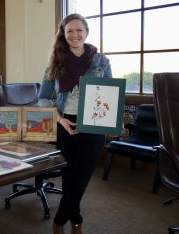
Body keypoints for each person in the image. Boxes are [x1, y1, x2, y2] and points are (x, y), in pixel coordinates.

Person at [39, 13, 112, 234]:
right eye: (69, 30)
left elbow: (109, 96)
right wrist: (60, 120)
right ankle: (76, 218)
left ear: (86, 32)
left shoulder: (101, 61)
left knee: (80, 180)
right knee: (69, 177)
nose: (74, 34)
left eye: (79, 30)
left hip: (93, 124)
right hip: (65, 124)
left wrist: (97, 121)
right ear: (64, 34)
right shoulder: (56, 61)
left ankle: (59, 220)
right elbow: (43, 98)